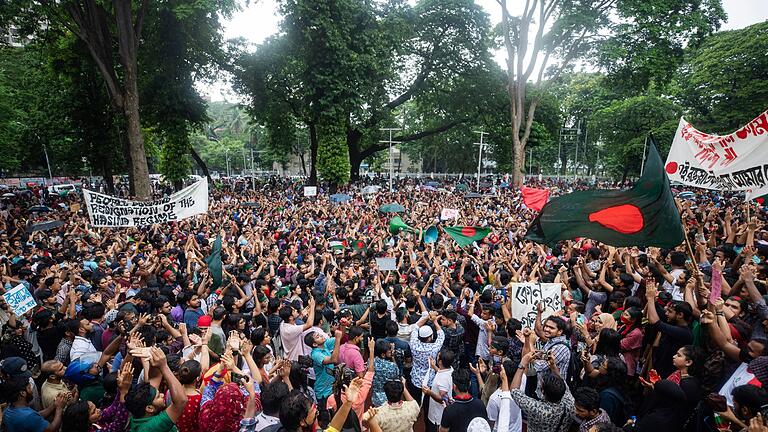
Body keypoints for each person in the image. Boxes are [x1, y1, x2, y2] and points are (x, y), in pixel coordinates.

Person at [124, 347, 188, 432]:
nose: (162, 395)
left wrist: (152, 355)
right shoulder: (150, 427)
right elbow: (181, 401)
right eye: (158, 397)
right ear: (149, 408)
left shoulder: (142, 414)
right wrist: (164, 366)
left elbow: (155, 377)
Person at [2, 376, 67, 432]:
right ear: (22, 393)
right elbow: (52, 429)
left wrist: (54, 405)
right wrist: (59, 408)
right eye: (29, 388)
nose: (32, 390)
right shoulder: (28, 417)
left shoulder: (8, 410)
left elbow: (36, 416)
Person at [423, 349, 454, 432]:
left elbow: (442, 399)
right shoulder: (449, 369)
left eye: (438, 356)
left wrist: (429, 392)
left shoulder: (443, 379)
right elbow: (441, 372)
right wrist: (434, 367)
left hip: (437, 416)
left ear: (440, 362)